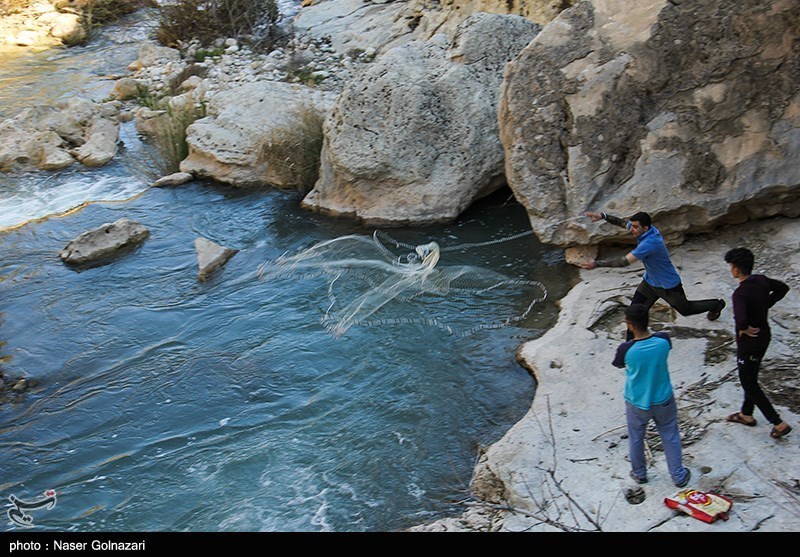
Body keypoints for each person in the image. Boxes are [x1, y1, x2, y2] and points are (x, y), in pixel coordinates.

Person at [581, 211, 725, 340]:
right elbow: (622, 223)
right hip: (650, 283)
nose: (632, 229)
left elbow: (624, 262)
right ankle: (629, 346)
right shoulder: (644, 230)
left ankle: (717, 304)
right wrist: (603, 216)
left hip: (668, 285)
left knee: (686, 310)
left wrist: (597, 264)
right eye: (633, 226)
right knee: (634, 314)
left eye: (635, 227)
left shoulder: (650, 243)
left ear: (645, 228)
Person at [613, 304, 691, 487]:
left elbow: (618, 364)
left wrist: (629, 338)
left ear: (629, 324)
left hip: (637, 402)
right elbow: (661, 345)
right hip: (663, 399)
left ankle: (639, 473)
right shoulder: (663, 340)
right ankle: (678, 476)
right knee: (670, 435)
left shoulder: (626, 349)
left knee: (636, 437)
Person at [723, 247, 792, 439]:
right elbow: (782, 288)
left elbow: (741, 320)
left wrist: (743, 328)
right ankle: (746, 414)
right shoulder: (761, 280)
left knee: (749, 383)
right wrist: (766, 304)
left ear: (736, 269)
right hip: (764, 336)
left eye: (731, 266)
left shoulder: (740, 293)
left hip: (749, 343)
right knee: (750, 375)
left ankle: (778, 423)